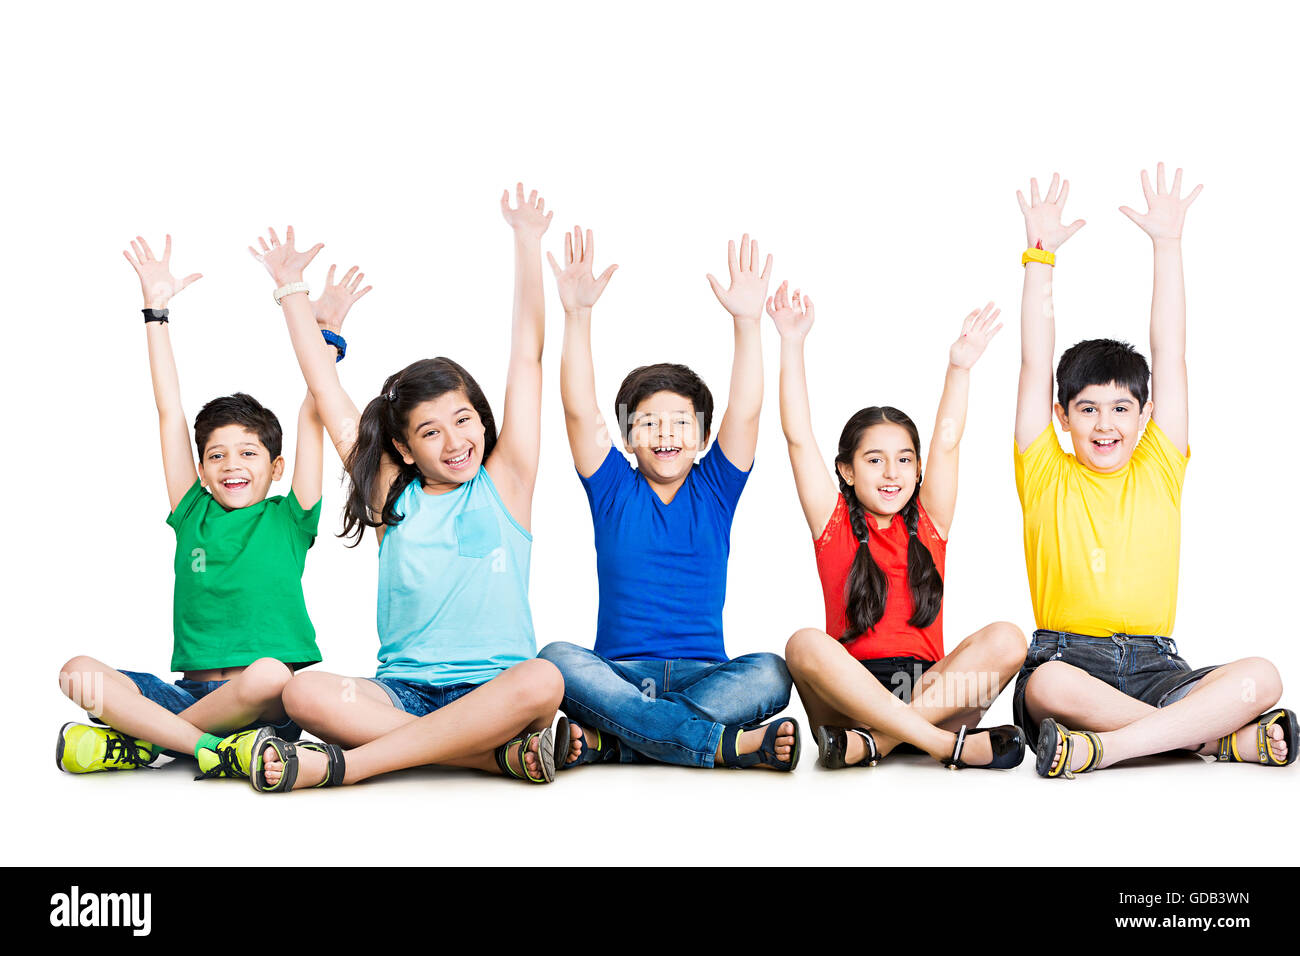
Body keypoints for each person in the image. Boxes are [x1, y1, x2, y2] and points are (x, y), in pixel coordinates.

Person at [245, 185, 570, 792]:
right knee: (303, 688)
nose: (454, 442)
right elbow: (327, 391)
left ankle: (349, 766)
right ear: (402, 448)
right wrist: (291, 292)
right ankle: (483, 759)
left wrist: (528, 241)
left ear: (481, 417)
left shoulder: (508, 480)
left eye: (463, 419)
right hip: (401, 696)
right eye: (430, 431)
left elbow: (528, 355)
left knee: (545, 679)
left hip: (494, 694)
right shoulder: (390, 495)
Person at [1012, 167, 1294, 777]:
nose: (1104, 424)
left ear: (1146, 416)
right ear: (1062, 416)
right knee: (1047, 685)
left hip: (1159, 668)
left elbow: (1170, 351)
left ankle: (1110, 747)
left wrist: (1168, 244)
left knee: (1263, 677)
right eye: (1087, 409)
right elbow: (1036, 361)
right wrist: (1041, 258)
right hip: (1070, 663)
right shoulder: (1044, 470)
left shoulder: (1160, 463)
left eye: (1120, 409)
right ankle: (1212, 741)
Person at [56, 234, 339, 781]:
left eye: (249, 453)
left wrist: (326, 339)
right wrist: (155, 312)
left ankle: (145, 743)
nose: (232, 465)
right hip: (188, 694)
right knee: (77, 673)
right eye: (216, 455)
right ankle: (206, 748)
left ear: (275, 467)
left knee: (270, 676)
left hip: (264, 706)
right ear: (202, 468)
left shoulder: (291, 515)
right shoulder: (192, 512)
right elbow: (169, 412)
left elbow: (315, 412)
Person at [538, 229, 798, 771]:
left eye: (681, 422)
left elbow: (746, 412)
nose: (666, 434)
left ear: (702, 437)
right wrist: (578, 316)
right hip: (616, 674)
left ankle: (618, 742)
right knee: (555, 661)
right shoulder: (613, 487)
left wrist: (747, 323)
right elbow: (580, 411)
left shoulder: (715, 487)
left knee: (772, 672)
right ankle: (716, 745)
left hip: (707, 675)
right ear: (628, 437)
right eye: (649, 423)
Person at [774, 282, 1027, 770]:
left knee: (1009, 638)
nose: (892, 473)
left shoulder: (929, 524)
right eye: (874, 460)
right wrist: (791, 342)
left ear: (917, 469)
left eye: (904, 460)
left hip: (932, 692)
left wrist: (960, 367)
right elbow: (799, 438)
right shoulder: (835, 524)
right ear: (847, 470)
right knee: (802, 643)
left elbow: (948, 445)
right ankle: (940, 746)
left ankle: (877, 744)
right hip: (851, 696)